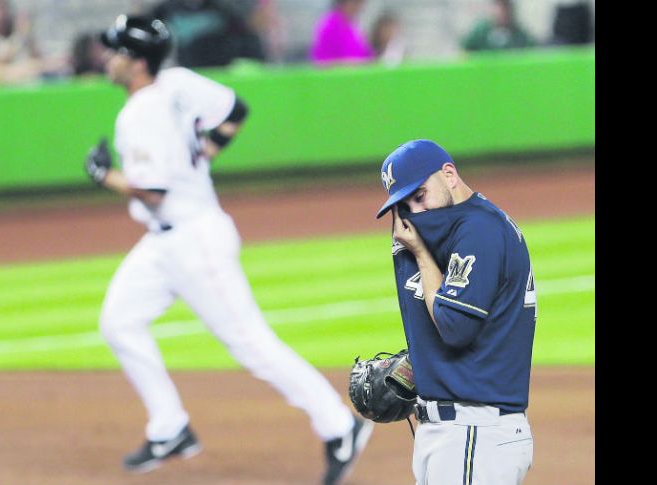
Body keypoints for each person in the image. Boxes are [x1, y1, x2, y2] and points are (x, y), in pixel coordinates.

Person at [83, 14, 373, 485]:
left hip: (195, 242)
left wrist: (104, 177)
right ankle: (170, 427)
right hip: (165, 243)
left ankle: (340, 426)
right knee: (118, 322)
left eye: (116, 52)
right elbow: (236, 110)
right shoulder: (177, 82)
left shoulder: (137, 114)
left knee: (252, 345)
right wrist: (202, 153)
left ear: (136, 63)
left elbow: (153, 190)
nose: (108, 59)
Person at [375, 140, 536, 484]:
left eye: (420, 196)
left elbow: (455, 327)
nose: (415, 213)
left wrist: (419, 253)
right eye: (403, 205)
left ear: (449, 175)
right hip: (457, 432)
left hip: (474, 432)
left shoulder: (480, 229)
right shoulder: (457, 228)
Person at [149, 0, 265, 68]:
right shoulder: (163, 11)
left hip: (220, 72)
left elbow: (247, 42)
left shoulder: (222, 10)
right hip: (183, 71)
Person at [310, 0, 374, 65]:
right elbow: (322, 62)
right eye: (355, 3)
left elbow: (365, 55)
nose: (359, 8)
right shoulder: (329, 26)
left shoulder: (352, 26)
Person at [461, 0, 536, 52]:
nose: (502, 11)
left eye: (505, 7)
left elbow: (532, 51)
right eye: (499, 6)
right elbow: (464, 51)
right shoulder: (481, 31)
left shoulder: (519, 34)